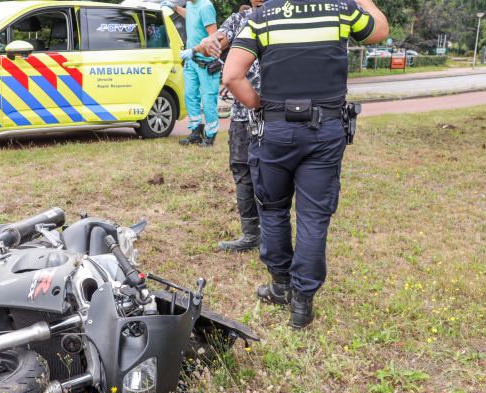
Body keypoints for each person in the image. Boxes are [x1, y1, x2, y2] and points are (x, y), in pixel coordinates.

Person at [223, 0, 389, 328]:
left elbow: (231, 76)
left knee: (272, 209)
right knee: (313, 217)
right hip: (324, 131)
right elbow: (380, 30)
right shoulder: (340, 10)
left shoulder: (262, 16)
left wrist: (260, 107)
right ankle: (302, 306)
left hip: (275, 129)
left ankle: (280, 286)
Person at [196, 0, 265, 252]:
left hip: (276, 113)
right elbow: (212, 43)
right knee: (242, 171)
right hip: (241, 116)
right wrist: (207, 44)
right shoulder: (237, 21)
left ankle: (272, 234)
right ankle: (251, 235)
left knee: (273, 174)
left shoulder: (281, 18)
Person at [161, 0, 219, 147]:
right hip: (191, 61)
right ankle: (195, 132)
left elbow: (213, 36)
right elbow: (192, 15)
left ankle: (210, 135)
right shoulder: (191, 5)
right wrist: (175, 7)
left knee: (207, 99)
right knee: (190, 96)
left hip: (206, 62)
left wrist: (193, 50)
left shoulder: (206, 6)